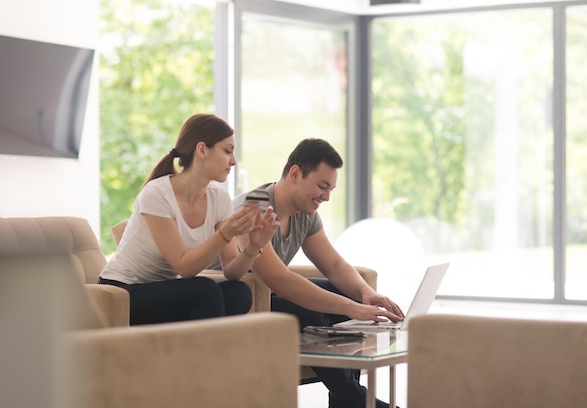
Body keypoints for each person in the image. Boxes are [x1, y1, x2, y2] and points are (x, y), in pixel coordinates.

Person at [229, 138, 404, 408]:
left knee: (344, 295)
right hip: (241, 302)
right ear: (295, 173)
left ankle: (345, 400)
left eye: (331, 188)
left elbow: (334, 265)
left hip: (268, 296)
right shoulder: (255, 207)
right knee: (306, 312)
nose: (326, 196)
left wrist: (366, 295)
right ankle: (355, 399)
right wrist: (352, 306)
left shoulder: (305, 213)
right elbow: (277, 279)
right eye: (322, 186)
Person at [98, 113, 279, 325]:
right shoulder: (156, 194)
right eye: (227, 151)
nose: (233, 161)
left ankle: (192, 348)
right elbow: (184, 267)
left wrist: (253, 247)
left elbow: (231, 270)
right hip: (122, 292)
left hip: (164, 291)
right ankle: (204, 356)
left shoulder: (218, 197)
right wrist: (224, 233)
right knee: (204, 290)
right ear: (202, 150)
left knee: (239, 292)